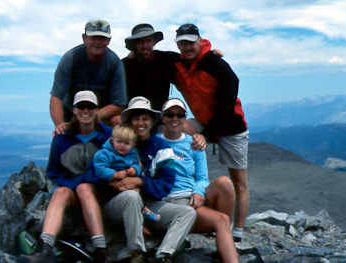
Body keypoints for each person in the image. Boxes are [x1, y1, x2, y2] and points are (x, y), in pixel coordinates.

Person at [173, 23, 249, 242]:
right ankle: (185, 190)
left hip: (231, 126)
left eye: (190, 42)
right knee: (176, 125)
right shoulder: (178, 64)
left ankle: (237, 232)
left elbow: (229, 95)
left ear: (199, 41)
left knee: (239, 182)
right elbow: (155, 58)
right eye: (182, 43)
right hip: (205, 124)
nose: (187, 47)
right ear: (178, 44)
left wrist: (209, 132)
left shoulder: (215, 64)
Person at [18, 90, 112, 263]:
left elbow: (112, 166)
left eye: (90, 106)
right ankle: (45, 249)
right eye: (81, 106)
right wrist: (71, 185)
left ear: (97, 109)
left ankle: (100, 251)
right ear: (74, 110)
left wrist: (81, 183)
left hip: (101, 192)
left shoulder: (108, 136)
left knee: (84, 188)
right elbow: (53, 171)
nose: (86, 110)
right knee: (60, 192)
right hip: (73, 192)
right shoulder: (62, 138)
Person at [110, 96, 197, 263]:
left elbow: (165, 186)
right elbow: (103, 175)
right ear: (130, 121)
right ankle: (137, 254)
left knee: (187, 213)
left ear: (151, 121)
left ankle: (163, 255)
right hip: (119, 205)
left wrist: (140, 182)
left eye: (145, 119)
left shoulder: (162, 149)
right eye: (137, 119)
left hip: (149, 207)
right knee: (132, 197)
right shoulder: (118, 144)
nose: (141, 123)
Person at [158, 98, 239, 262]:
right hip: (172, 202)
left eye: (180, 115)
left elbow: (202, 178)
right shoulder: (154, 144)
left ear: (184, 118)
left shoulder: (194, 144)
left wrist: (198, 191)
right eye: (170, 115)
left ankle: (222, 235)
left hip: (192, 199)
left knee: (225, 183)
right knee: (221, 220)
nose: (175, 119)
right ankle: (223, 236)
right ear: (163, 117)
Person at [50, 18, 127, 135]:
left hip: (100, 113)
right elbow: (56, 97)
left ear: (109, 40)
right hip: (71, 113)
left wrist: (90, 117)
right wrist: (60, 125)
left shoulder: (114, 62)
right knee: (61, 132)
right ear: (84, 38)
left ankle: (115, 150)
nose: (98, 42)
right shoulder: (70, 59)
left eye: (102, 38)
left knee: (117, 121)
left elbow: (118, 104)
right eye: (94, 37)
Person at [93, 123, 161, 222]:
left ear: (133, 144)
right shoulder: (105, 153)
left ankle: (143, 209)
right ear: (112, 140)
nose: (122, 146)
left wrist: (134, 170)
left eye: (127, 143)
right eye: (119, 141)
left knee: (136, 191)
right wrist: (114, 174)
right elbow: (100, 168)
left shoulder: (133, 153)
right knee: (129, 193)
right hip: (110, 188)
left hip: (127, 182)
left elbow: (137, 165)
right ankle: (142, 210)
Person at [122, 23, 180, 110]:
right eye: (140, 41)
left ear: (154, 41)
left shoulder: (167, 59)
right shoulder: (123, 66)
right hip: (132, 117)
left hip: (161, 118)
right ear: (135, 44)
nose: (145, 46)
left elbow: (191, 58)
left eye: (148, 40)